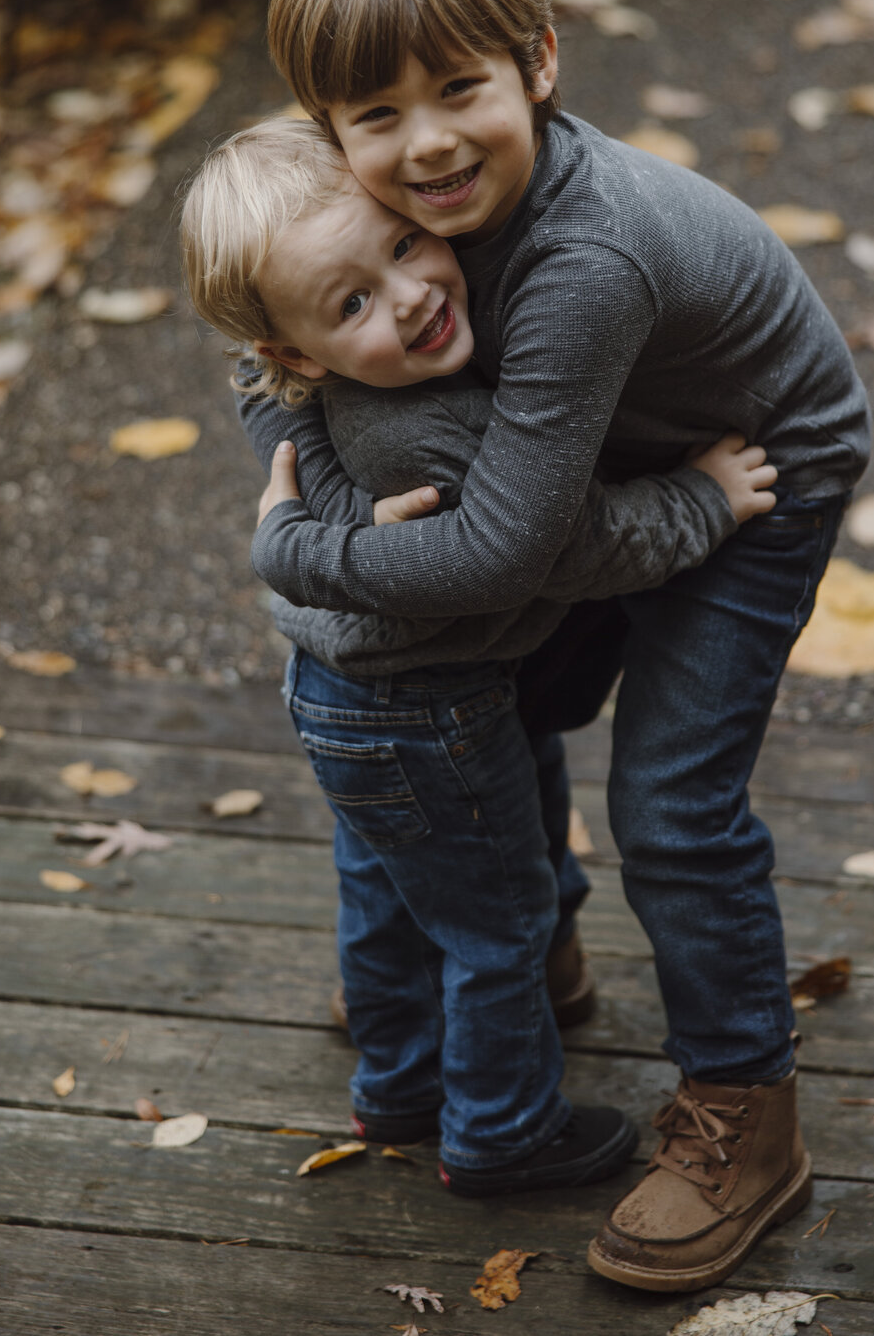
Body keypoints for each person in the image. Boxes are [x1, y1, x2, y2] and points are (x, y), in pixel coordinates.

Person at [242, 0, 871, 1291]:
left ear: (538, 57)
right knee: (498, 689)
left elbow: (499, 555)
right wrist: (327, 478)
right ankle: (532, 957)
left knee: (673, 795)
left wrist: (303, 547)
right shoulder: (370, 195)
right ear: (327, 128)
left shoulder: (583, 259)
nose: (427, 148)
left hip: (743, 470)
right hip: (591, 475)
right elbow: (264, 357)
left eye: (460, 87)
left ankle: (745, 1108)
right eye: (377, 116)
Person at [180, 117, 778, 1199]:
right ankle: (502, 1129)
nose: (407, 293)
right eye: (353, 300)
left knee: (382, 884)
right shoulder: (417, 434)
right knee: (501, 922)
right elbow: (569, 545)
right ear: (299, 354)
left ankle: (400, 1081)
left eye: (403, 245)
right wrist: (703, 499)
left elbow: (253, 390)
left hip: (337, 692)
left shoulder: (305, 392)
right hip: (429, 708)